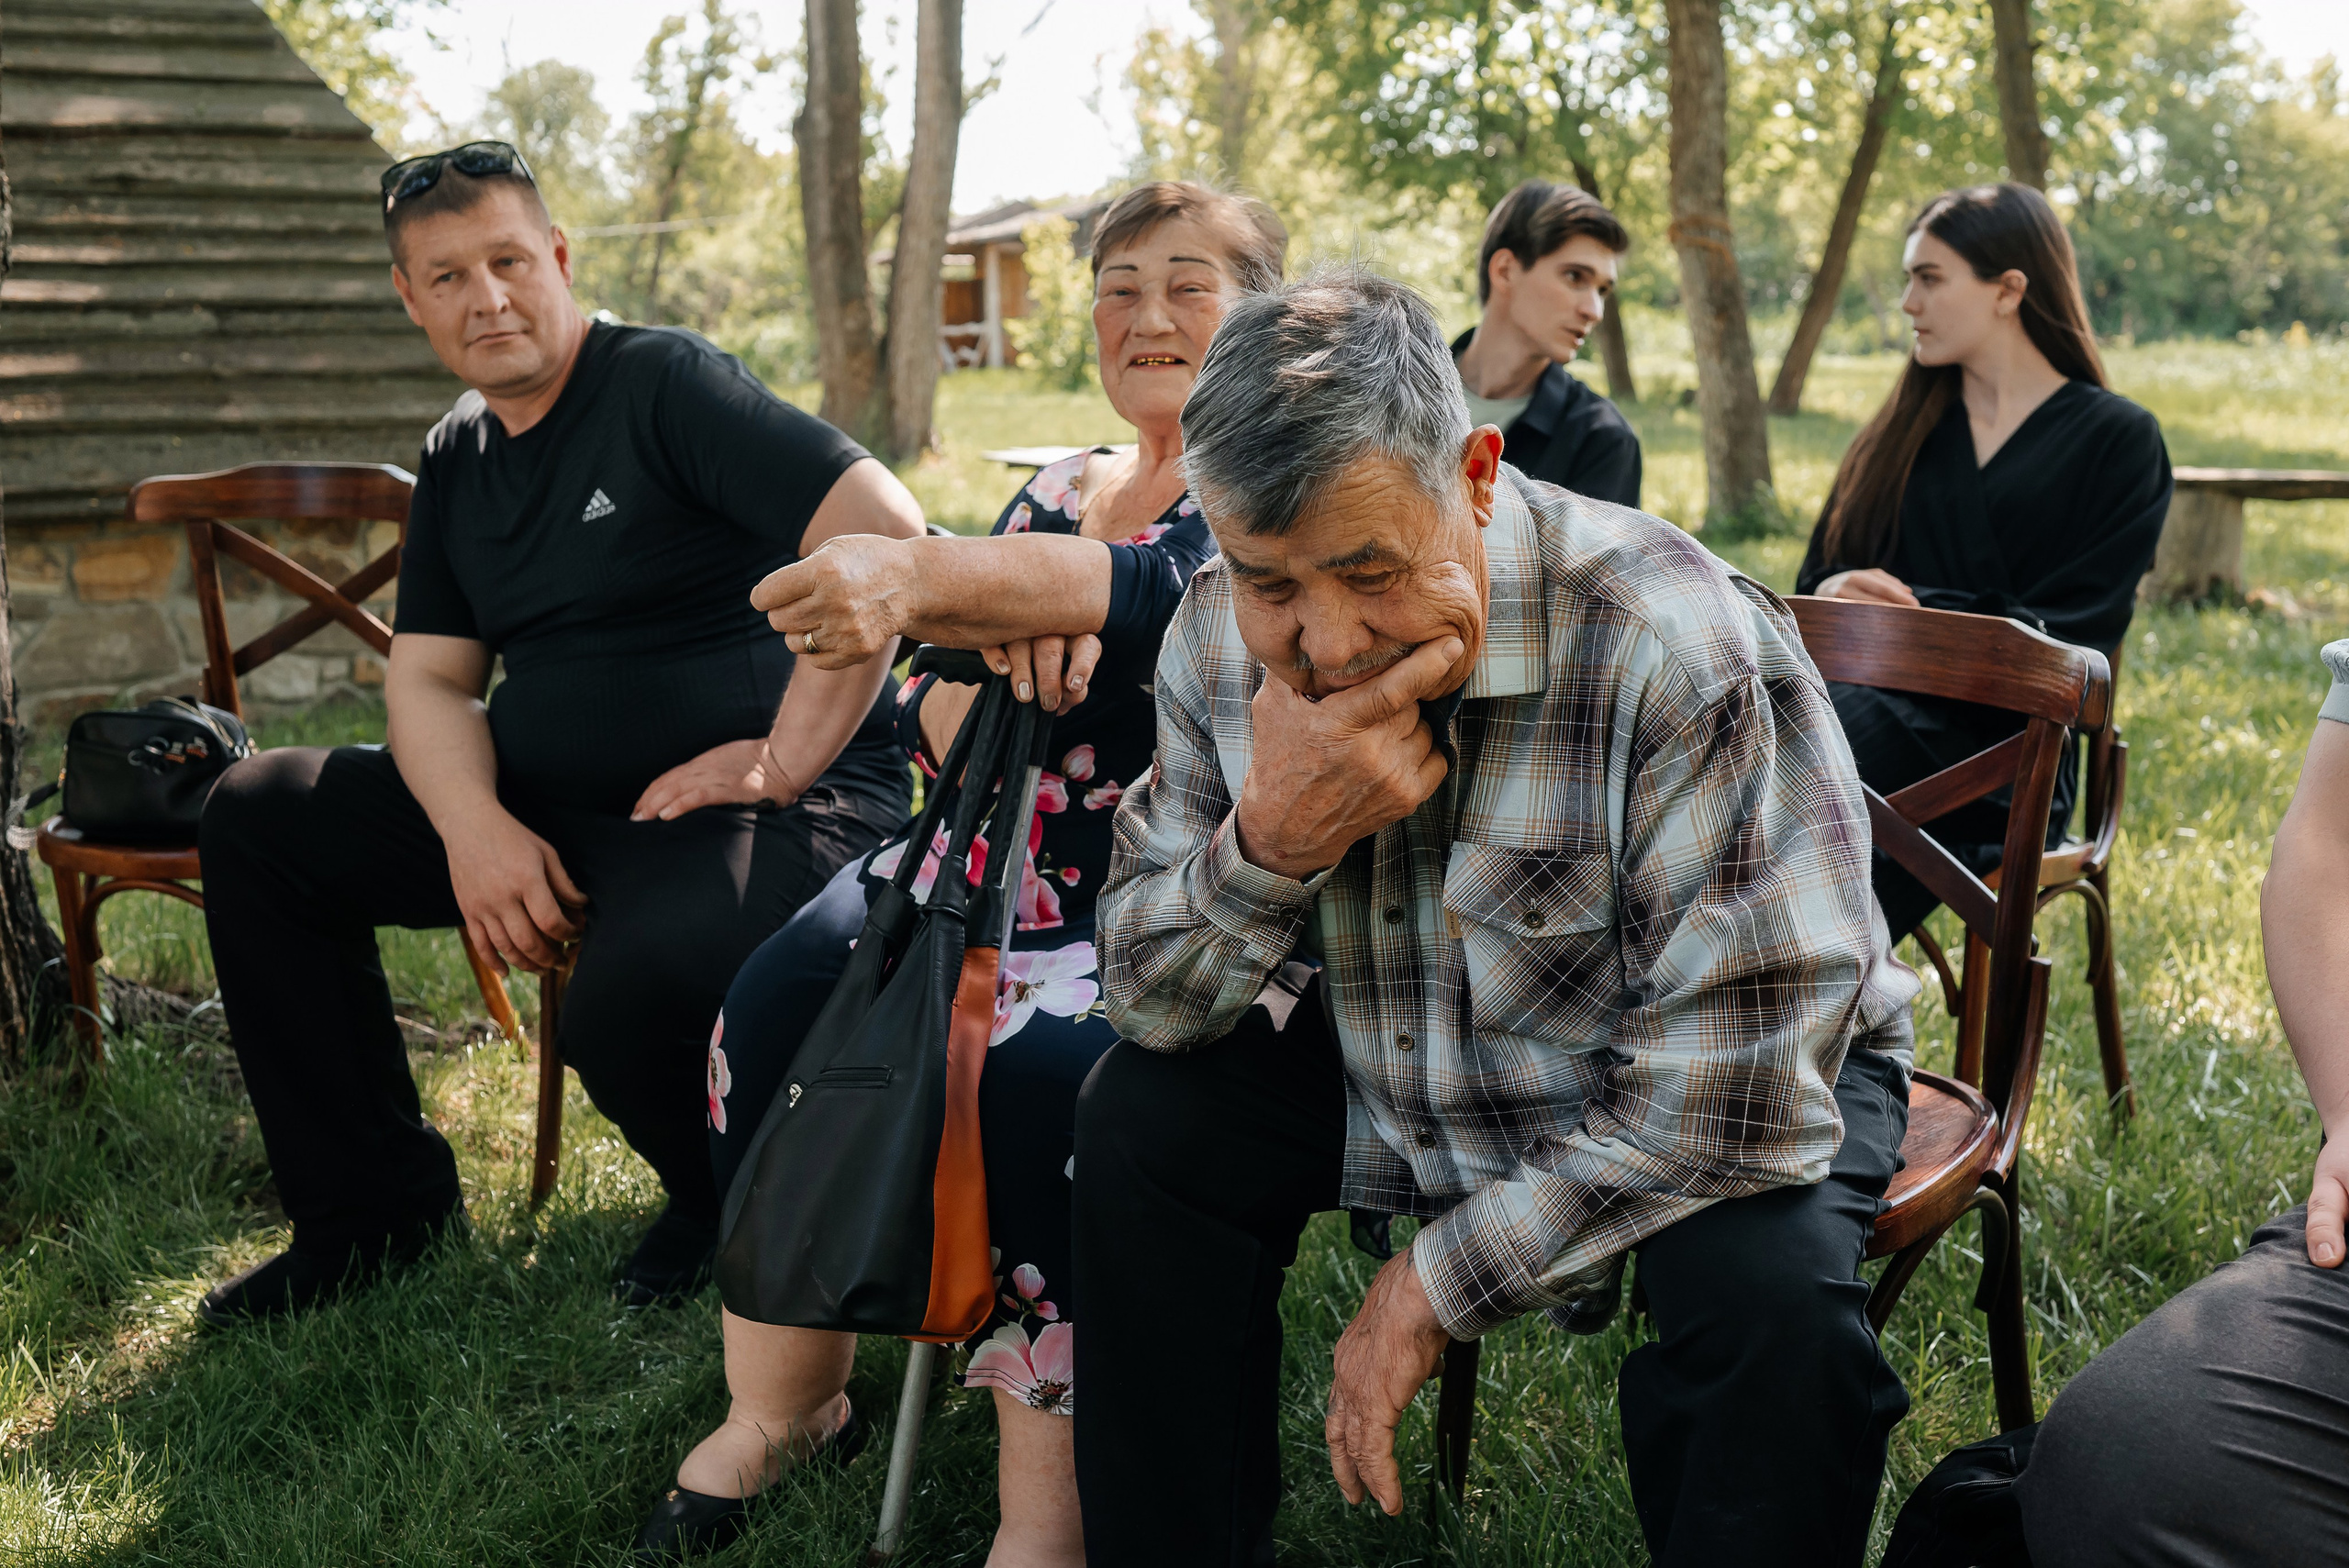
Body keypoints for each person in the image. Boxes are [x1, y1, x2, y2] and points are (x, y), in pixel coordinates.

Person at [1080, 268, 1920, 1567]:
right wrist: (1272, 845)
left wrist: (1437, 1281)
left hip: (1723, 1060)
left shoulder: (1671, 638)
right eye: (1271, 581)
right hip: (1392, 1037)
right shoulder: (1211, 639)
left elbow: (1734, 1089)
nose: (1327, 642)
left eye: (1369, 570)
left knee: (1773, 1316)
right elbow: (1141, 993)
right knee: (1142, 1124)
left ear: (1475, 475)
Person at [629, 180, 1284, 1563]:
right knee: (769, 1004)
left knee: (1045, 1087)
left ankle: (1043, 1516)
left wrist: (1006, 618)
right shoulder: (1055, 489)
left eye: (1188, 282)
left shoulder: (1271, 501)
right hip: (969, 864)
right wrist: (995, 661)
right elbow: (911, 699)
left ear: (1262, 317)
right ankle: (789, 1401)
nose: (1146, 313)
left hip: (1158, 902)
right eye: (1117, 286)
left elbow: (1168, 637)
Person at [193, 142, 922, 1326]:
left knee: (629, 992)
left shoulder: (662, 385)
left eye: (507, 260)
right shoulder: (456, 455)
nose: (485, 298)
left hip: (757, 799)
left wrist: (782, 758)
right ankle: (368, 1214)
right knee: (263, 813)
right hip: (557, 808)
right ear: (408, 297)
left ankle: (724, 1194)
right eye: (446, 277)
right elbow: (430, 683)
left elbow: (884, 527)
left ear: (560, 258)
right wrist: (473, 827)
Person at [1887, 641, 2349, 1568]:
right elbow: (2324, 841)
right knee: (2117, 1460)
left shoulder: (2109, 484)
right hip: (1901, 709)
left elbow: (2067, 616)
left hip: (1993, 734)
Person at [1797, 183, 2172, 940]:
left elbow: (2077, 636)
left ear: (2009, 290)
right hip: (1861, 724)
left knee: (1800, 764)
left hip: (2012, 756)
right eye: (1908, 278)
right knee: (1766, 751)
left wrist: (1914, 620)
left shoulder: (2119, 441)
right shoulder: (1899, 433)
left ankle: (1810, 1007)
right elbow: (1812, 590)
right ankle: (1796, 1009)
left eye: (1929, 278)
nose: (1908, 302)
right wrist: (1838, 589)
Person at [1450, 178, 1642, 506]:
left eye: (1602, 290)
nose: (1594, 310)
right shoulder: (1389, 392)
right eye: (1575, 277)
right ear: (1506, 270)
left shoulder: (1603, 441)